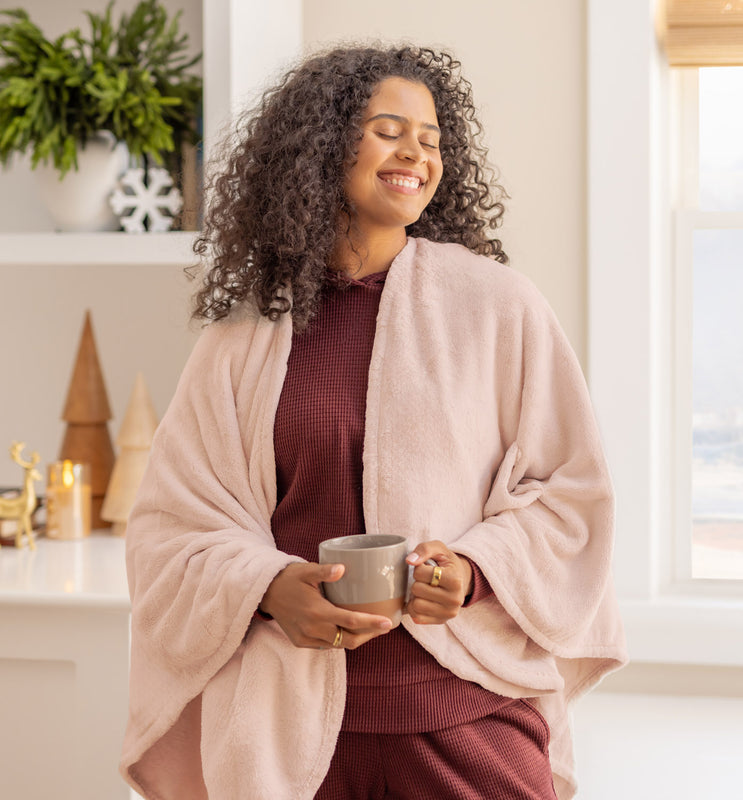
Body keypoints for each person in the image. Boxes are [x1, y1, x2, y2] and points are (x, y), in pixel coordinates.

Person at [120, 45, 627, 800]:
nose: (415, 154)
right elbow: (170, 530)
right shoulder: (244, 339)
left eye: (431, 140)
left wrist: (474, 570)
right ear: (324, 145)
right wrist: (268, 585)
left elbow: (569, 493)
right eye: (389, 129)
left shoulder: (499, 307)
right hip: (288, 744)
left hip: (466, 721)